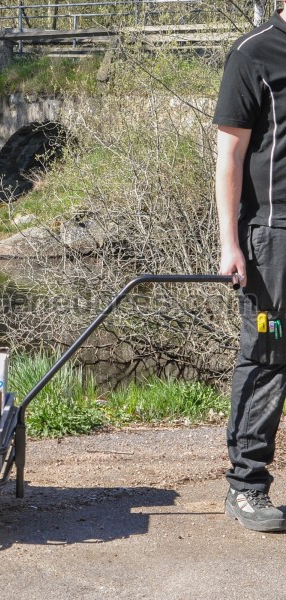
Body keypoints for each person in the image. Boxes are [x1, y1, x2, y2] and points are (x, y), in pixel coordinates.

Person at [214, 7, 286, 532]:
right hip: (272, 236)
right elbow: (230, 159)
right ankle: (246, 487)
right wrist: (229, 244)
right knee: (268, 354)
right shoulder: (253, 54)